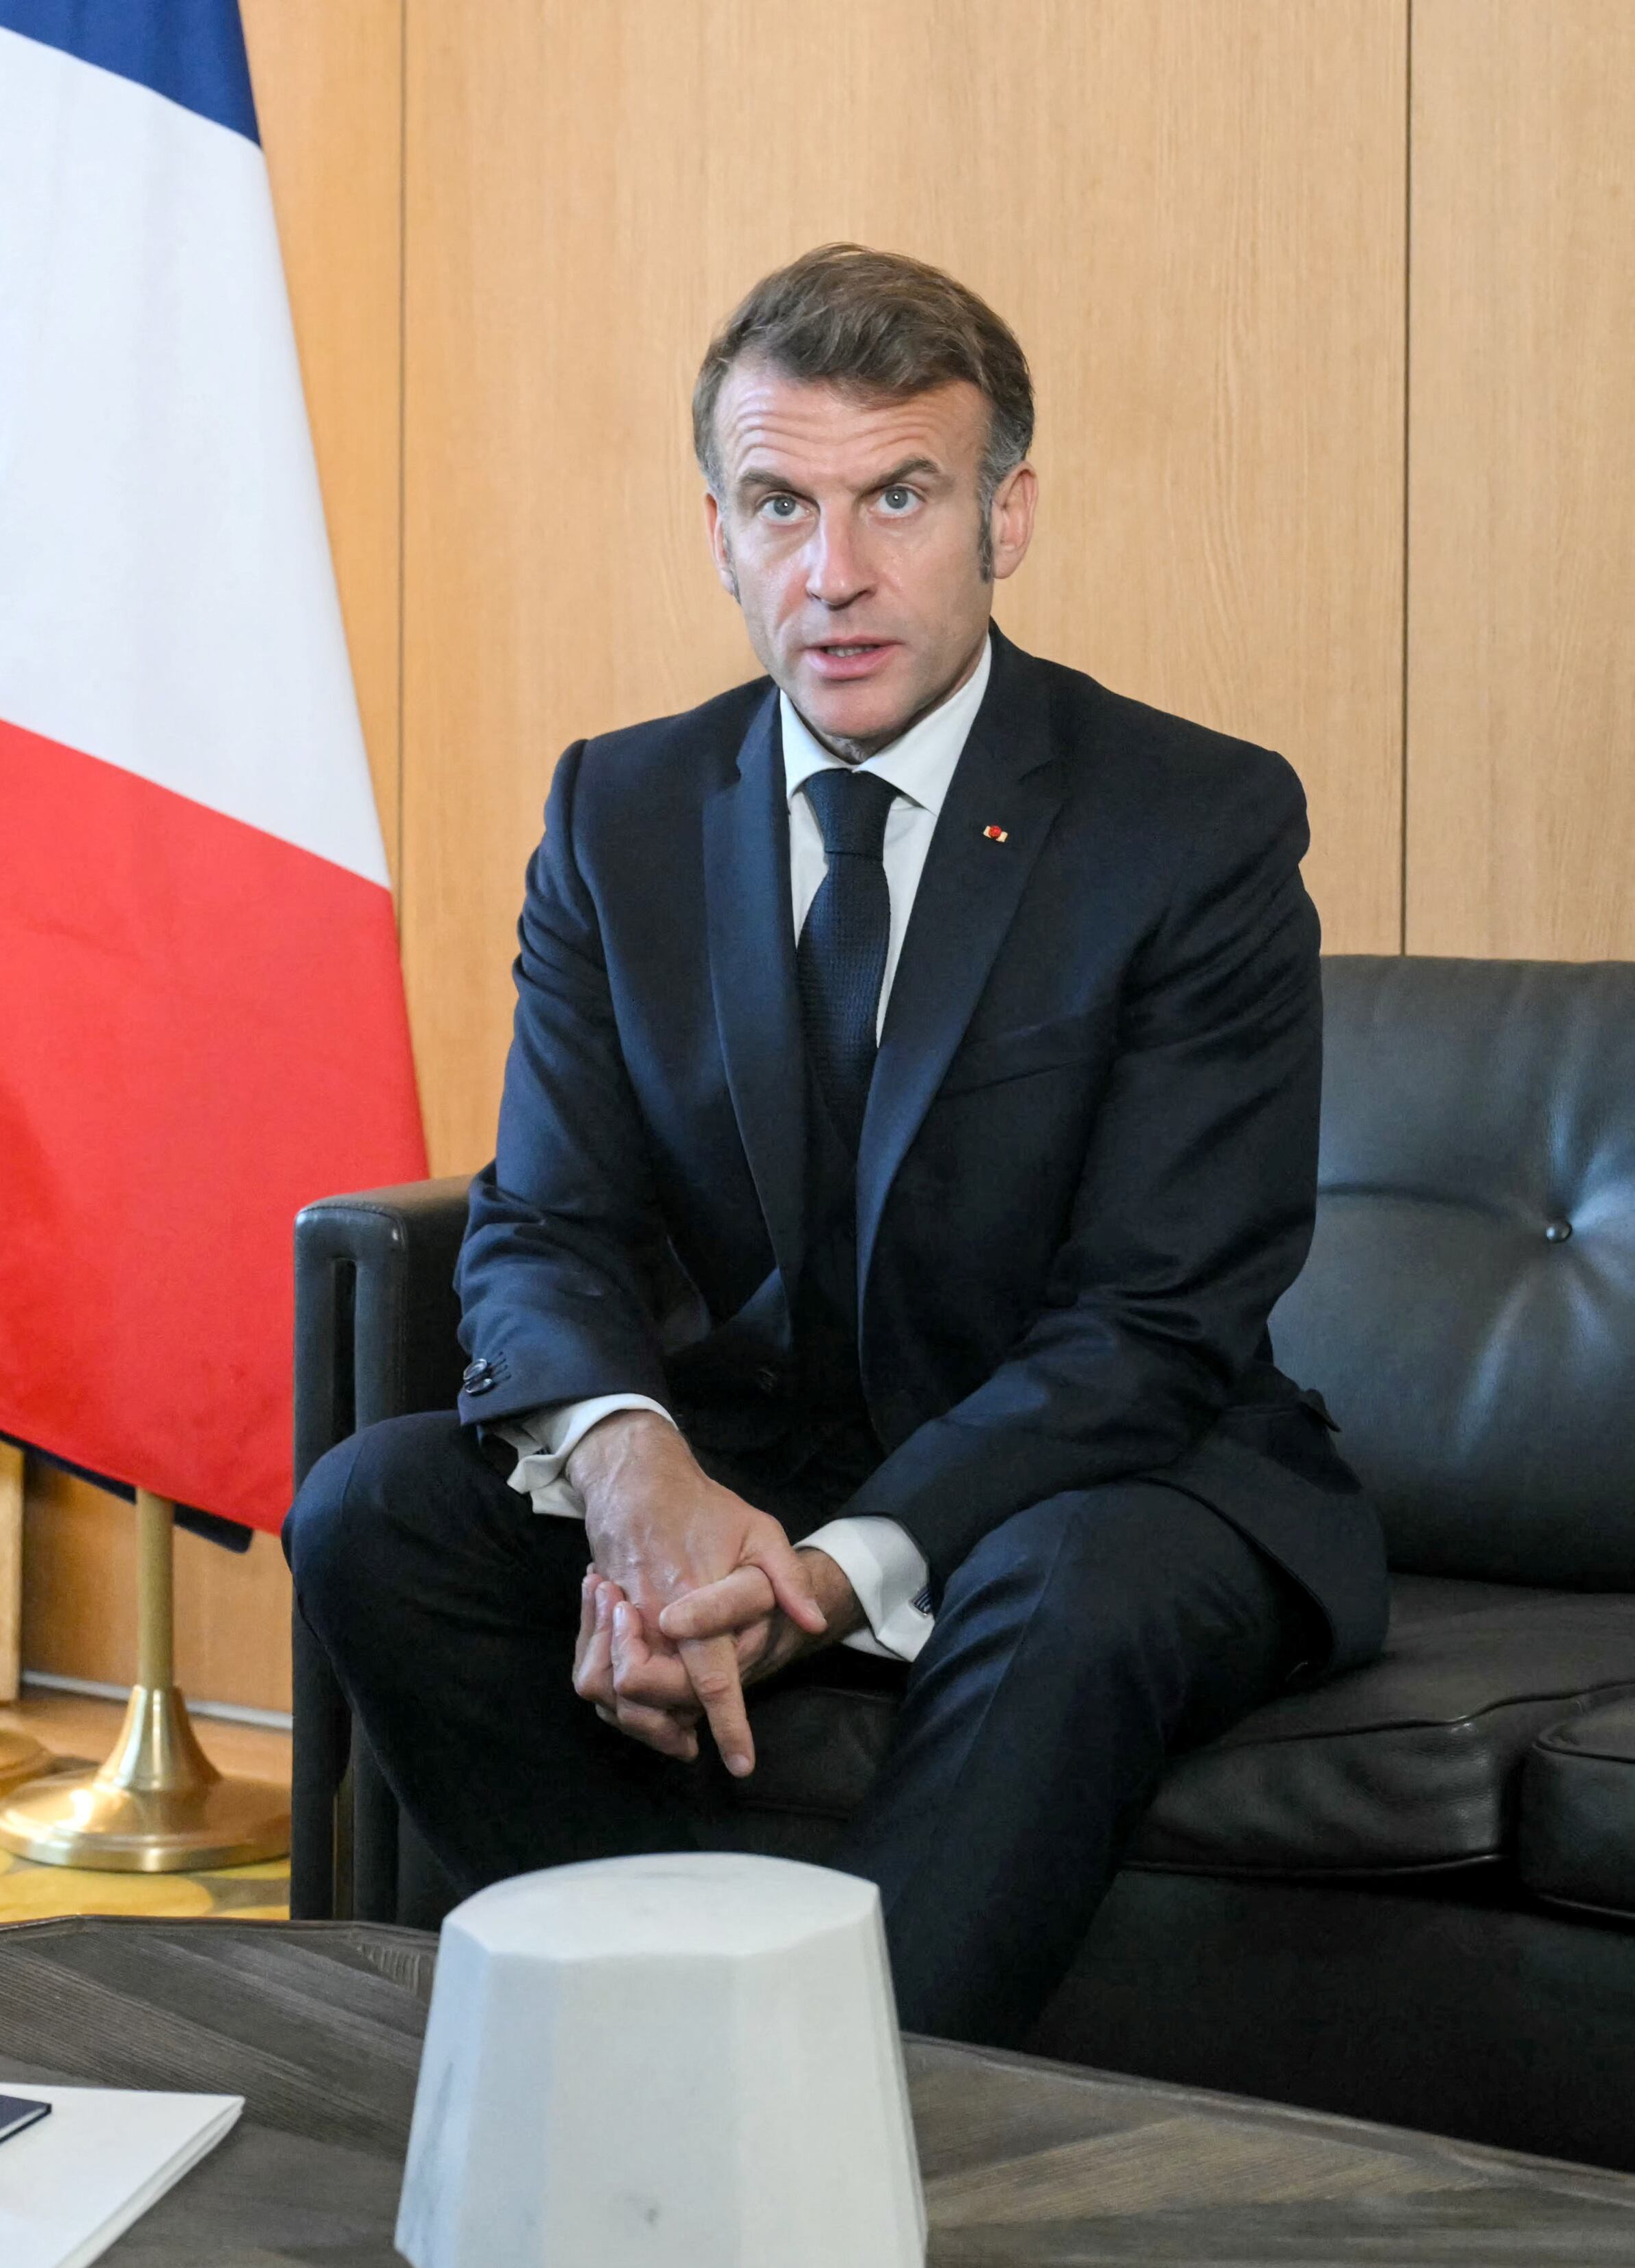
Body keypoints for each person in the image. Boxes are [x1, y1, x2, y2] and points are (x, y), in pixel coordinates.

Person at [286, 244, 1384, 2045]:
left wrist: (826, 1572)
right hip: (751, 1459)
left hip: (1114, 1473)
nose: (837, 574)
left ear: (1005, 518)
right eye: (781, 504)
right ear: (715, 528)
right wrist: (641, 1491)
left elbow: (1156, 1324)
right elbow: (547, 1227)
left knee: (1068, 1590)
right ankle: (642, 2050)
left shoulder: (1195, 823)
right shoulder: (618, 807)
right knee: (375, 1512)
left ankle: (825, 2124)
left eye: (902, 498)